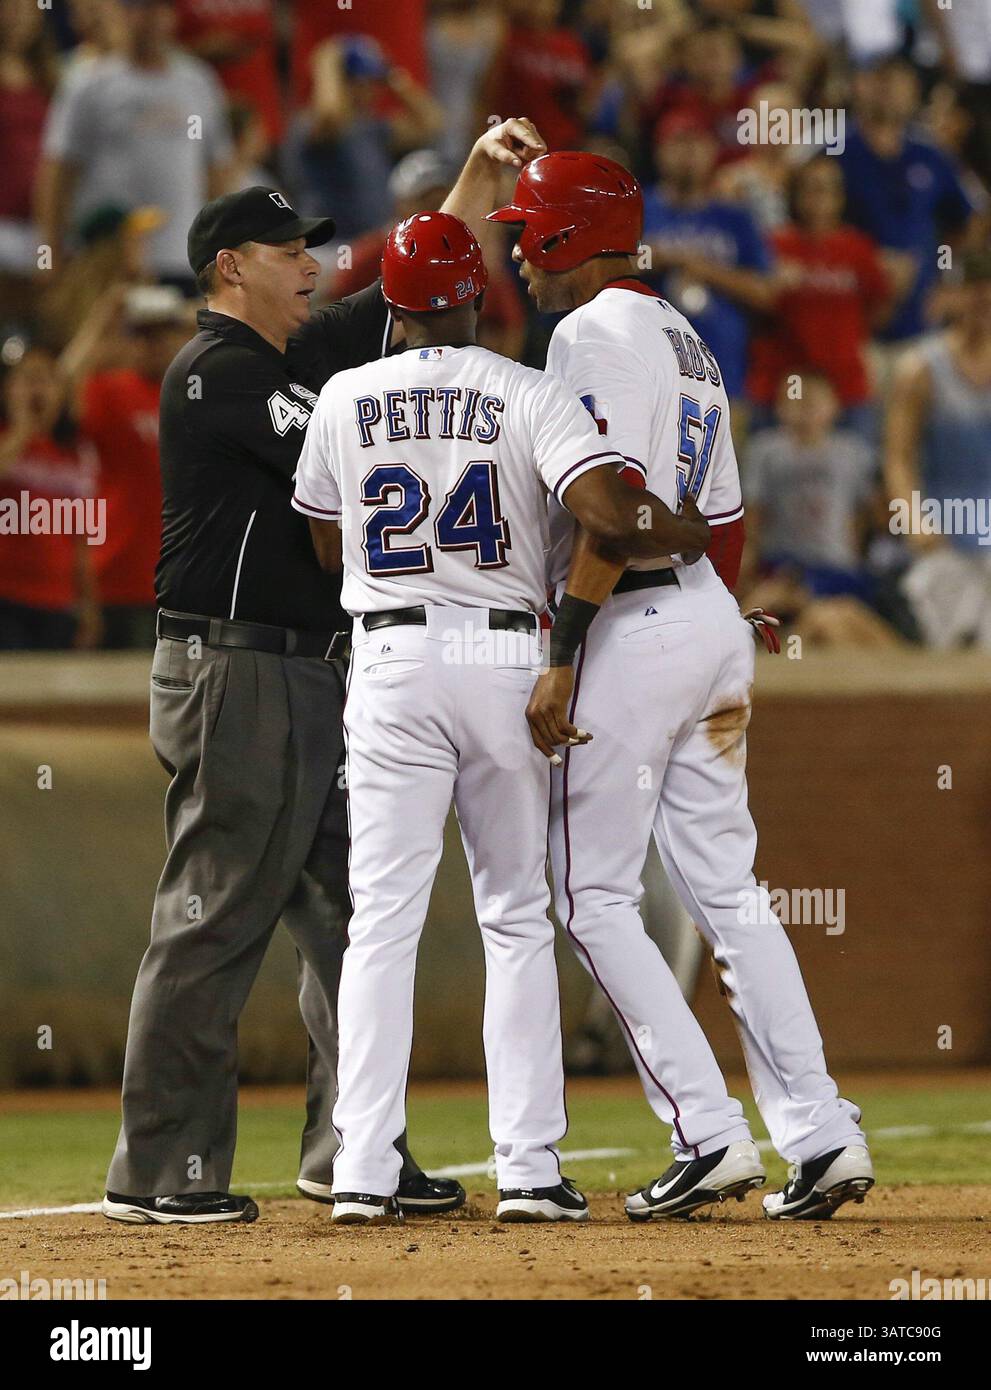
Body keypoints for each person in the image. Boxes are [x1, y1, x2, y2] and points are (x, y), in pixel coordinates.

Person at [103, 116, 556, 1225]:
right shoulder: (215, 372)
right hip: (233, 667)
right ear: (230, 268)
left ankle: (352, 1144)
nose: (313, 266)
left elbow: (409, 299)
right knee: (213, 912)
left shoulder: (295, 358)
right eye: (289, 251)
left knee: (356, 918)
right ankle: (163, 1169)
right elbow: (373, 413)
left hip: (312, 672)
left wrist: (475, 183)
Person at [292, 211, 712, 1224]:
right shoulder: (528, 390)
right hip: (502, 656)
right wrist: (680, 527)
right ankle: (525, 1168)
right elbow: (611, 518)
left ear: (391, 306)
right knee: (514, 916)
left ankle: (359, 1168)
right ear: (479, 300)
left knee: (380, 923)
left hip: (388, 656)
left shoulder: (344, 393)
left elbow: (321, 542)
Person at [489, 150, 875, 1220]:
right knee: (729, 890)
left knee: (590, 891)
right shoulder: (682, 330)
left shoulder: (592, 329)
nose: (518, 247)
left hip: (631, 615)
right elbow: (722, 518)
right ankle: (821, 1130)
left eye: (530, 227)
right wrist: (702, 617)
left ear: (574, 232)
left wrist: (567, 646)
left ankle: (707, 1133)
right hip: (705, 612)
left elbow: (612, 508)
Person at [36, 0, 233, 289]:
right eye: (135, 7)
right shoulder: (87, 83)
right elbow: (57, 174)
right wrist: (49, 255)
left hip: (184, 260)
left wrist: (219, 251)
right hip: (106, 262)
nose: (146, 18)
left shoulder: (198, 82)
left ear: (171, 16)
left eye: (156, 8)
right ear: (117, 14)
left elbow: (217, 173)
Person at [886, 250, 991, 648]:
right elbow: (898, 457)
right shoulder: (920, 368)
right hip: (944, 528)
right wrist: (914, 520)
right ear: (958, 296)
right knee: (947, 658)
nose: (985, 306)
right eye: (977, 296)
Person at [0, 345, 101, 651]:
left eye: (48, 380)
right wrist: (22, 431)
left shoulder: (77, 455)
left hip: (57, 601)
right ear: (8, 390)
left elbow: (83, 540)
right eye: (29, 379)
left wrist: (89, 607)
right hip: (6, 597)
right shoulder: (6, 441)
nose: (38, 389)